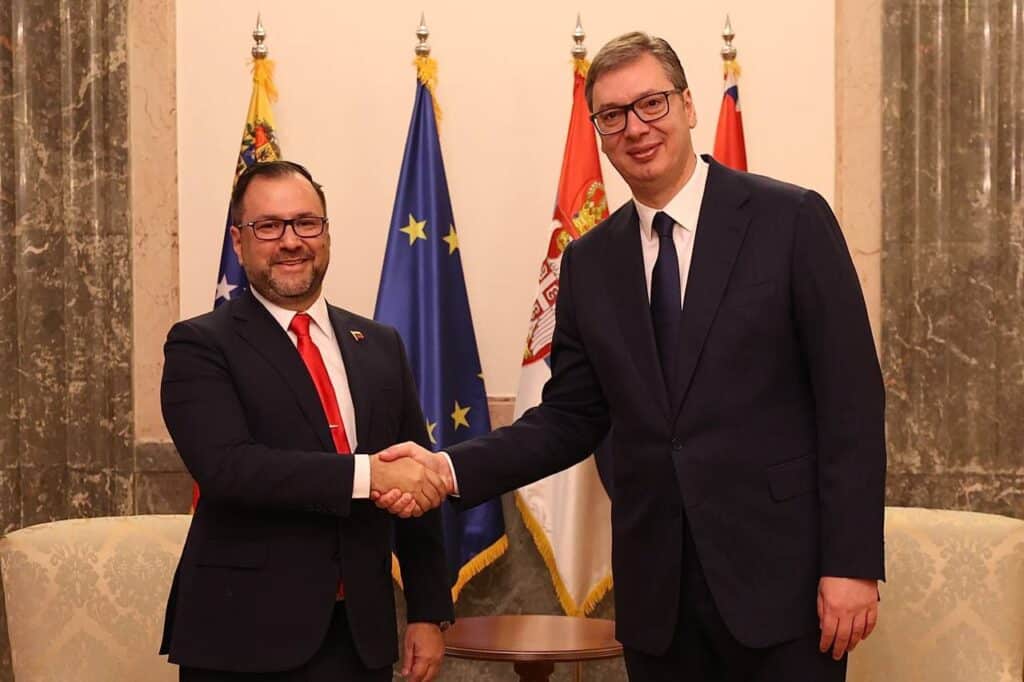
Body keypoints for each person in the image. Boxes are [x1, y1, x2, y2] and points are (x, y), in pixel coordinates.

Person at [375, 32, 886, 681]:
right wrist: (448, 468)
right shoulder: (589, 263)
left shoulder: (790, 220)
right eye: (613, 115)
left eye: (651, 103)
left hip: (783, 586)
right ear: (599, 132)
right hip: (658, 600)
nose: (635, 128)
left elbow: (851, 402)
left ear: (688, 105)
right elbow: (568, 418)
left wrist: (851, 564)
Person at [159, 160, 453, 682]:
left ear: (326, 233)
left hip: (359, 636)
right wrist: (369, 475)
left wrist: (428, 611)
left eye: (305, 223)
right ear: (238, 242)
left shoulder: (379, 344)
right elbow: (229, 469)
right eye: (268, 226)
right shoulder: (200, 344)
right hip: (243, 636)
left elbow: (413, 473)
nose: (291, 241)